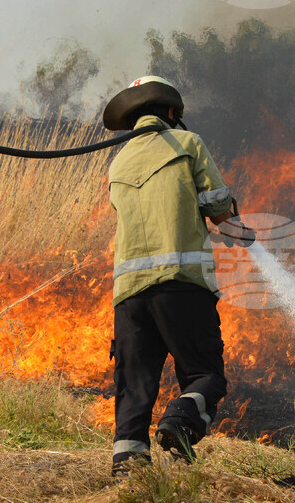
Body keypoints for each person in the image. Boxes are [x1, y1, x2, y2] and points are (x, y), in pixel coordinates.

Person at [103, 76, 252, 476]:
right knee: (206, 375)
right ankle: (180, 421)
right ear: (171, 111)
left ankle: (129, 472)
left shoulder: (118, 162)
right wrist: (241, 230)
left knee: (134, 387)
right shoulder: (188, 144)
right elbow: (219, 210)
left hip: (129, 295)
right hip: (181, 285)